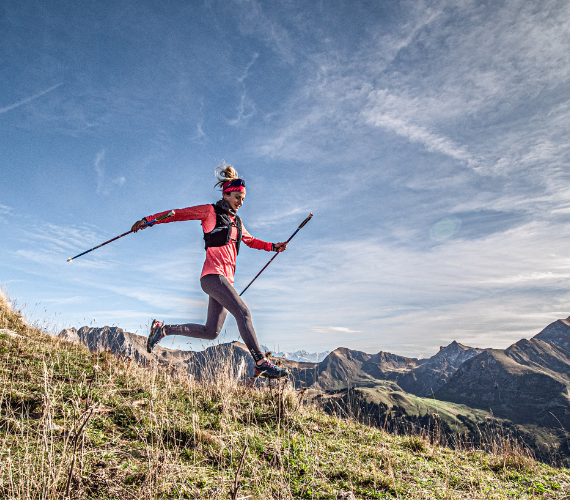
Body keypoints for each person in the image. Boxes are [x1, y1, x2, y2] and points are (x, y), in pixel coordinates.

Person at [131, 164, 290, 379]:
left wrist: (273, 246)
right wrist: (148, 220)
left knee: (211, 331)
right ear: (226, 194)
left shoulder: (237, 222)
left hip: (225, 281)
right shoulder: (210, 211)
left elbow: (250, 241)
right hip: (212, 276)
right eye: (237, 197)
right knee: (243, 313)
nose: (241, 202)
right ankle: (261, 362)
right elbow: (178, 214)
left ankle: (163, 329)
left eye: (243, 199)